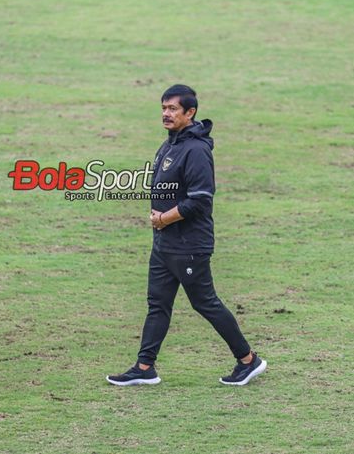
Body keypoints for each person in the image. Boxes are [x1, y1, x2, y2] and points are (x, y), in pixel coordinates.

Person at [106, 85, 266, 386]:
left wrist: (163, 218)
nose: (166, 114)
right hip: (165, 243)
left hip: (188, 244)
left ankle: (248, 360)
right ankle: (144, 368)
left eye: (173, 109)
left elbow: (201, 199)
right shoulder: (170, 144)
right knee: (158, 303)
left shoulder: (196, 150)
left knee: (205, 302)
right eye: (164, 108)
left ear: (190, 113)